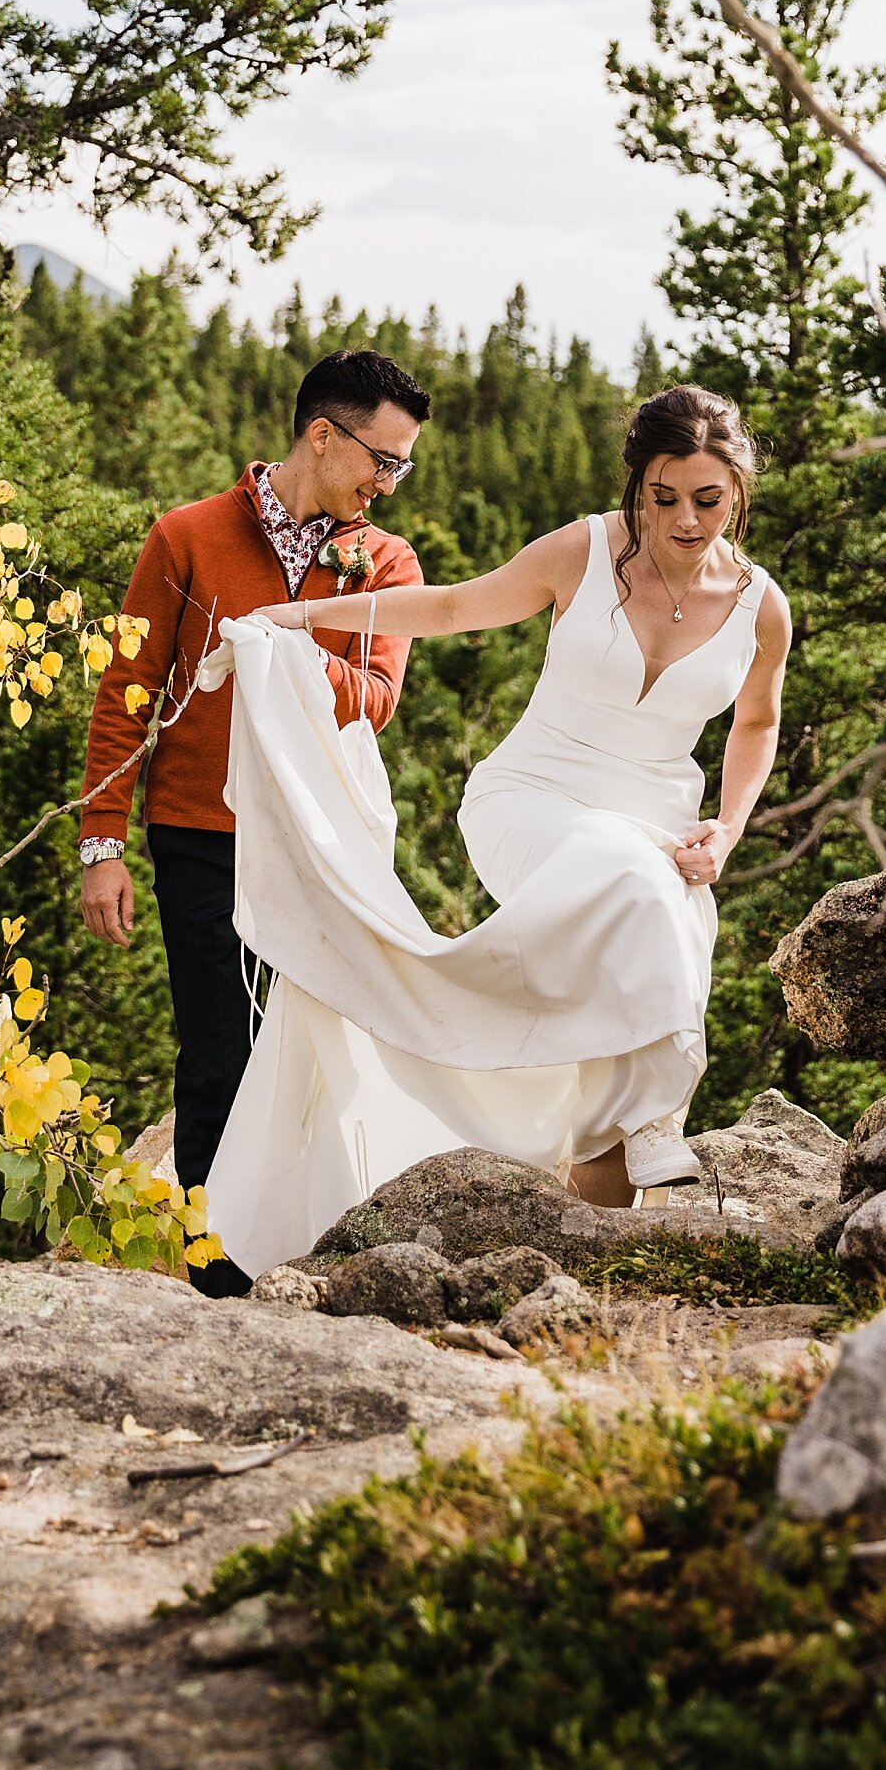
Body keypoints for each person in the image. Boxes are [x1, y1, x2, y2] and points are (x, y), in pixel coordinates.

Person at [199, 384, 791, 1278]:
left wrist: (728, 830)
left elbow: (757, 723)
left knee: (647, 923)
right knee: (635, 882)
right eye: (663, 497)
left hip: (658, 821)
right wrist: (303, 615)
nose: (684, 519)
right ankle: (655, 1118)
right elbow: (449, 608)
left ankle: (602, 1238)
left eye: (708, 500)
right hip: (535, 798)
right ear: (638, 485)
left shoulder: (760, 605)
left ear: (738, 491)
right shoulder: (585, 551)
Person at [78, 346, 429, 1294]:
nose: (388, 485)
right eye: (381, 461)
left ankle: (319, 1246)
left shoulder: (384, 562)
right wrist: (100, 843)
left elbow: (379, 698)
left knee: (323, 1039)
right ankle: (215, 1270)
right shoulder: (186, 537)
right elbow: (129, 691)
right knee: (217, 1048)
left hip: (321, 838)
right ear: (323, 435)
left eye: (401, 466)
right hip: (199, 830)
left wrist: (286, 648)